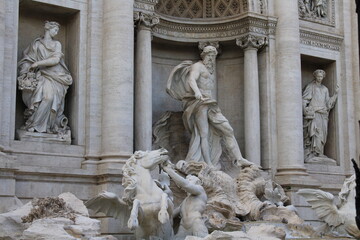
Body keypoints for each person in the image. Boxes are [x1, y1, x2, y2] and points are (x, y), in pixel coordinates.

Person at [166, 46, 252, 168]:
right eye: (210, 56)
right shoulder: (198, 66)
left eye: (213, 57)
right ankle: (208, 163)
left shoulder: (208, 69)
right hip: (200, 102)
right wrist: (197, 92)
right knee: (203, 134)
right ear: (204, 55)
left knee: (228, 130)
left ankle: (239, 159)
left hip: (210, 103)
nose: (212, 59)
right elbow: (191, 79)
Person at [17, 21, 73, 134]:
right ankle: (34, 124)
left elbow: (56, 60)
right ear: (48, 29)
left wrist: (38, 64)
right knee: (42, 98)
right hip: (40, 75)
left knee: (49, 98)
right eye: (55, 30)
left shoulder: (57, 44)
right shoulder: (36, 44)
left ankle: (45, 125)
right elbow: (28, 59)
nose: (56, 33)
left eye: (57, 31)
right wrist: (27, 69)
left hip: (55, 75)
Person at [162, 161, 208, 240]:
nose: (188, 180)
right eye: (187, 179)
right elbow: (171, 215)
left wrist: (168, 170)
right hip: (183, 227)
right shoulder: (185, 201)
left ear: (198, 182)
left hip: (196, 223)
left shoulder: (200, 191)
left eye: (190, 179)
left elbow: (186, 185)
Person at [302, 69, 339, 162]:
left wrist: (335, 94)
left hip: (323, 114)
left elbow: (328, 104)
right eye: (318, 76)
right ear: (315, 77)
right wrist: (305, 110)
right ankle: (313, 152)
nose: (319, 78)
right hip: (315, 113)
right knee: (315, 133)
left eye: (321, 77)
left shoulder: (325, 89)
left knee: (322, 135)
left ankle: (320, 153)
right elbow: (305, 100)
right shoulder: (311, 87)